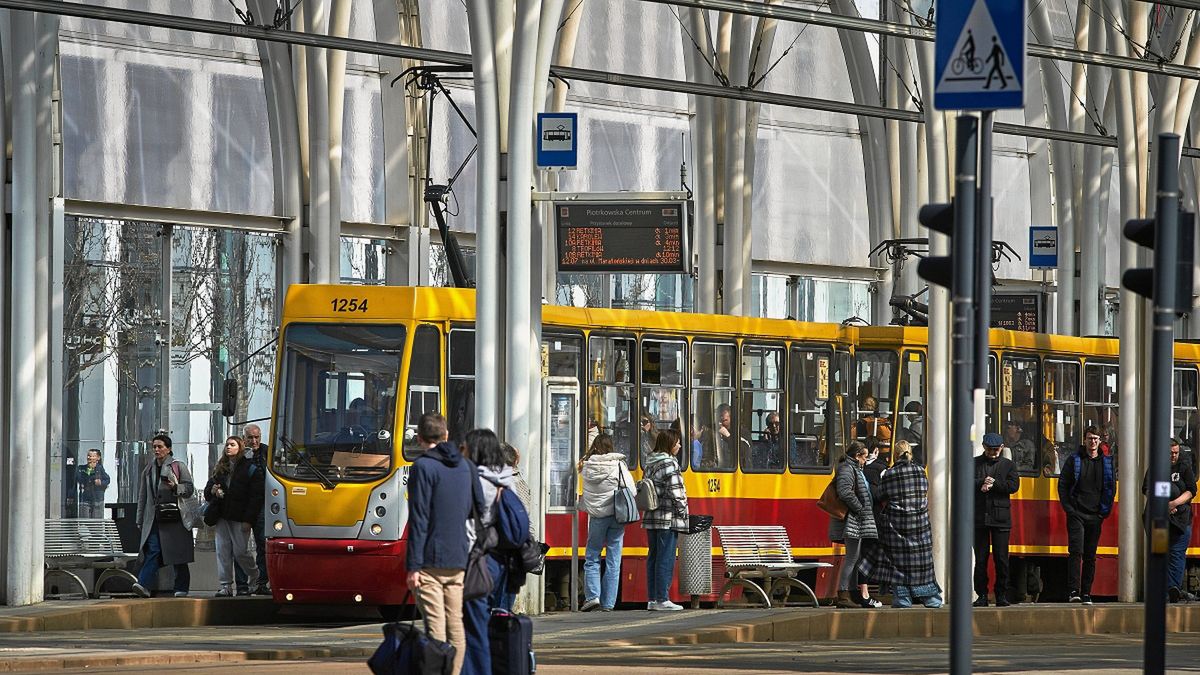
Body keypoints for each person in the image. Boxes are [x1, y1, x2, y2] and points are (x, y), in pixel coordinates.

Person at [406, 413, 485, 675]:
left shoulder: (423, 468)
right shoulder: (466, 466)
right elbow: (479, 509)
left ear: (419, 438)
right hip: (458, 557)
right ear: (446, 435)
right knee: (456, 626)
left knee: (435, 628)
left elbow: (419, 519)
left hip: (430, 560)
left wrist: (413, 566)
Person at [857, 441, 942, 608]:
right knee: (923, 563)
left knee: (898, 564)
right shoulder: (920, 471)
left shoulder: (890, 473)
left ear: (895, 455)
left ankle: (902, 599)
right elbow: (924, 491)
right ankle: (931, 598)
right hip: (920, 525)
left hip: (896, 525)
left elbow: (880, 495)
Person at [1057, 425, 1116, 604]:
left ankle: (1086, 593)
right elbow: (1063, 485)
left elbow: (1111, 487)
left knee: (1090, 555)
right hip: (1077, 514)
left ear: (1100, 441)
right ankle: (1074, 591)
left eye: (1096, 439)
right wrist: (1069, 509)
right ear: (1085, 440)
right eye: (1090, 438)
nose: (1093, 442)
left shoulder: (1106, 462)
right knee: (1076, 552)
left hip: (1095, 516)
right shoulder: (1074, 460)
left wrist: (1103, 513)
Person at [132, 434, 195, 598]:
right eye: (154, 447)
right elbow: (143, 496)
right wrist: (140, 519)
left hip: (174, 517)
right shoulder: (149, 469)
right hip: (154, 517)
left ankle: (181, 586)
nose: (157, 450)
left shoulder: (178, 466)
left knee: (177, 553)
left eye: (160, 447)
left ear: (169, 449)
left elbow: (189, 489)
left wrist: (176, 487)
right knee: (153, 549)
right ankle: (143, 584)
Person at [579, 433, 634, 612]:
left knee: (592, 556)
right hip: (617, 516)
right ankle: (608, 603)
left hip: (596, 517)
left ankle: (592, 596)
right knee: (613, 559)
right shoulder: (618, 465)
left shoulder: (587, 467)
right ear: (611, 447)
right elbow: (632, 490)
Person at [204, 435, 263, 597]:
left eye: (232, 445)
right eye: (227, 445)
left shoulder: (249, 469)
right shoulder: (221, 468)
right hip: (222, 514)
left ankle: (255, 574)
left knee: (240, 552)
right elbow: (208, 489)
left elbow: (256, 497)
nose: (228, 447)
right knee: (222, 551)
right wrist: (213, 491)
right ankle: (225, 585)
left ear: (240, 447)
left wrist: (249, 520)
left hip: (239, 516)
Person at [1141, 438, 1196, 602]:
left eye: (1176, 453)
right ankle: (1165, 590)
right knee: (1160, 553)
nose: (1173, 456)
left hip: (1180, 520)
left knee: (1177, 555)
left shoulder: (1184, 466)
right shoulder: (1156, 468)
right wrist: (1163, 504)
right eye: (1171, 453)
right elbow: (1147, 489)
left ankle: (1171, 588)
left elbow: (1191, 490)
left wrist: (1173, 503)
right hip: (1160, 520)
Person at [642, 428, 689, 611]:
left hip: (651, 517)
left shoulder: (651, 462)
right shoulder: (670, 464)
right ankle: (663, 598)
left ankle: (652, 598)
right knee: (666, 558)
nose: (679, 445)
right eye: (677, 442)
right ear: (670, 444)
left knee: (653, 558)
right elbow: (677, 493)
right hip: (667, 518)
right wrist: (684, 513)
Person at [829, 440, 879, 608]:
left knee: (855, 558)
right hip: (851, 521)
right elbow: (844, 492)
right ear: (857, 456)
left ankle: (851, 592)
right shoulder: (847, 469)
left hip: (855, 521)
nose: (866, 461)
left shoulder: (854, 468)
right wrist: (860, 508)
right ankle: (843, 594)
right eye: (864, 457)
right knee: (851, 558)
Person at [973, 432, 1020, 607]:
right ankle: (982, 595)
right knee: (981, 559)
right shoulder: (974, 463)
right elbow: (964, 481)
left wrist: (994, 485)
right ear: (984, 447)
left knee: (1001, 558)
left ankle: (1001, 594)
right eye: (991, 449)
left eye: (997, 449)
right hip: (979, 518)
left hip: (1001, 519)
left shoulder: (1008, 465)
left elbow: (1013, 486)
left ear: (1001, 448)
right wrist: (981, 483)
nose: (994, 452)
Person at [236, 423, 269, 595]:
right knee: (240, 547)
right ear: (244, 439)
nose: (254, 441)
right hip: (242, 505)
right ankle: (242, 585)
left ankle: (261, 582)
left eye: (257, 437)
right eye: (250, 438)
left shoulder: (266, 452)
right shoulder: (239, 455)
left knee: (262, 543)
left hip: (262, 504)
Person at [75, 448, 110, 518]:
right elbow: (78, 479)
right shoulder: (81, 468)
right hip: (85, 498)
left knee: (96, 521)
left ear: (98, 458)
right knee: (84, 519)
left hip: (97, 498)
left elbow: (107, 480)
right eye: (89, 456)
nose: (90, 458)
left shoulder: (100, 468)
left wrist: (100, 482)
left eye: (93, 456)